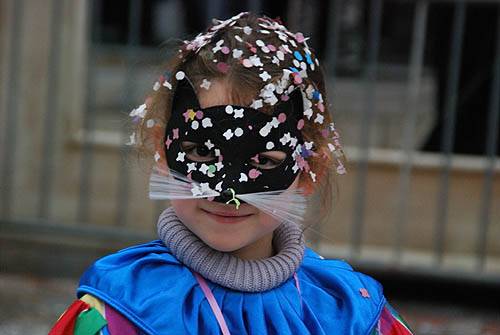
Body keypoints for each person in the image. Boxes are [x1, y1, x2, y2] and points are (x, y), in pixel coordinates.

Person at [50, 12, 413, 335]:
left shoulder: (350, 315)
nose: (226, 194)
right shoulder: (122, 313)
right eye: (202, 152)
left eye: (265, 161)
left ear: (309, 170)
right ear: (163, 151)